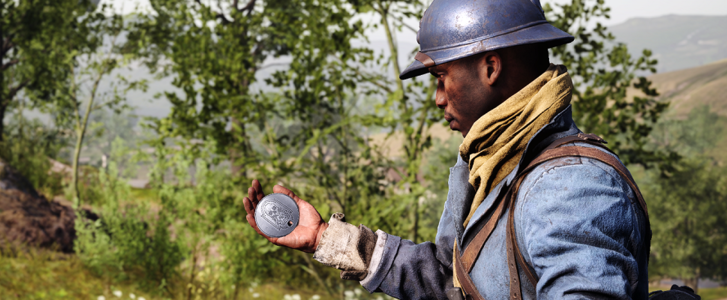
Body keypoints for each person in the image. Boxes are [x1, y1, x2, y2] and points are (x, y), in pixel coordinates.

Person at [241, 0, 652, 299]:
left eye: (442, 77)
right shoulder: (494, 165)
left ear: (490, 68)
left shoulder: (570, 184)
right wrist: (326, 238)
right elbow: (454, 282)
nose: (438, 98)